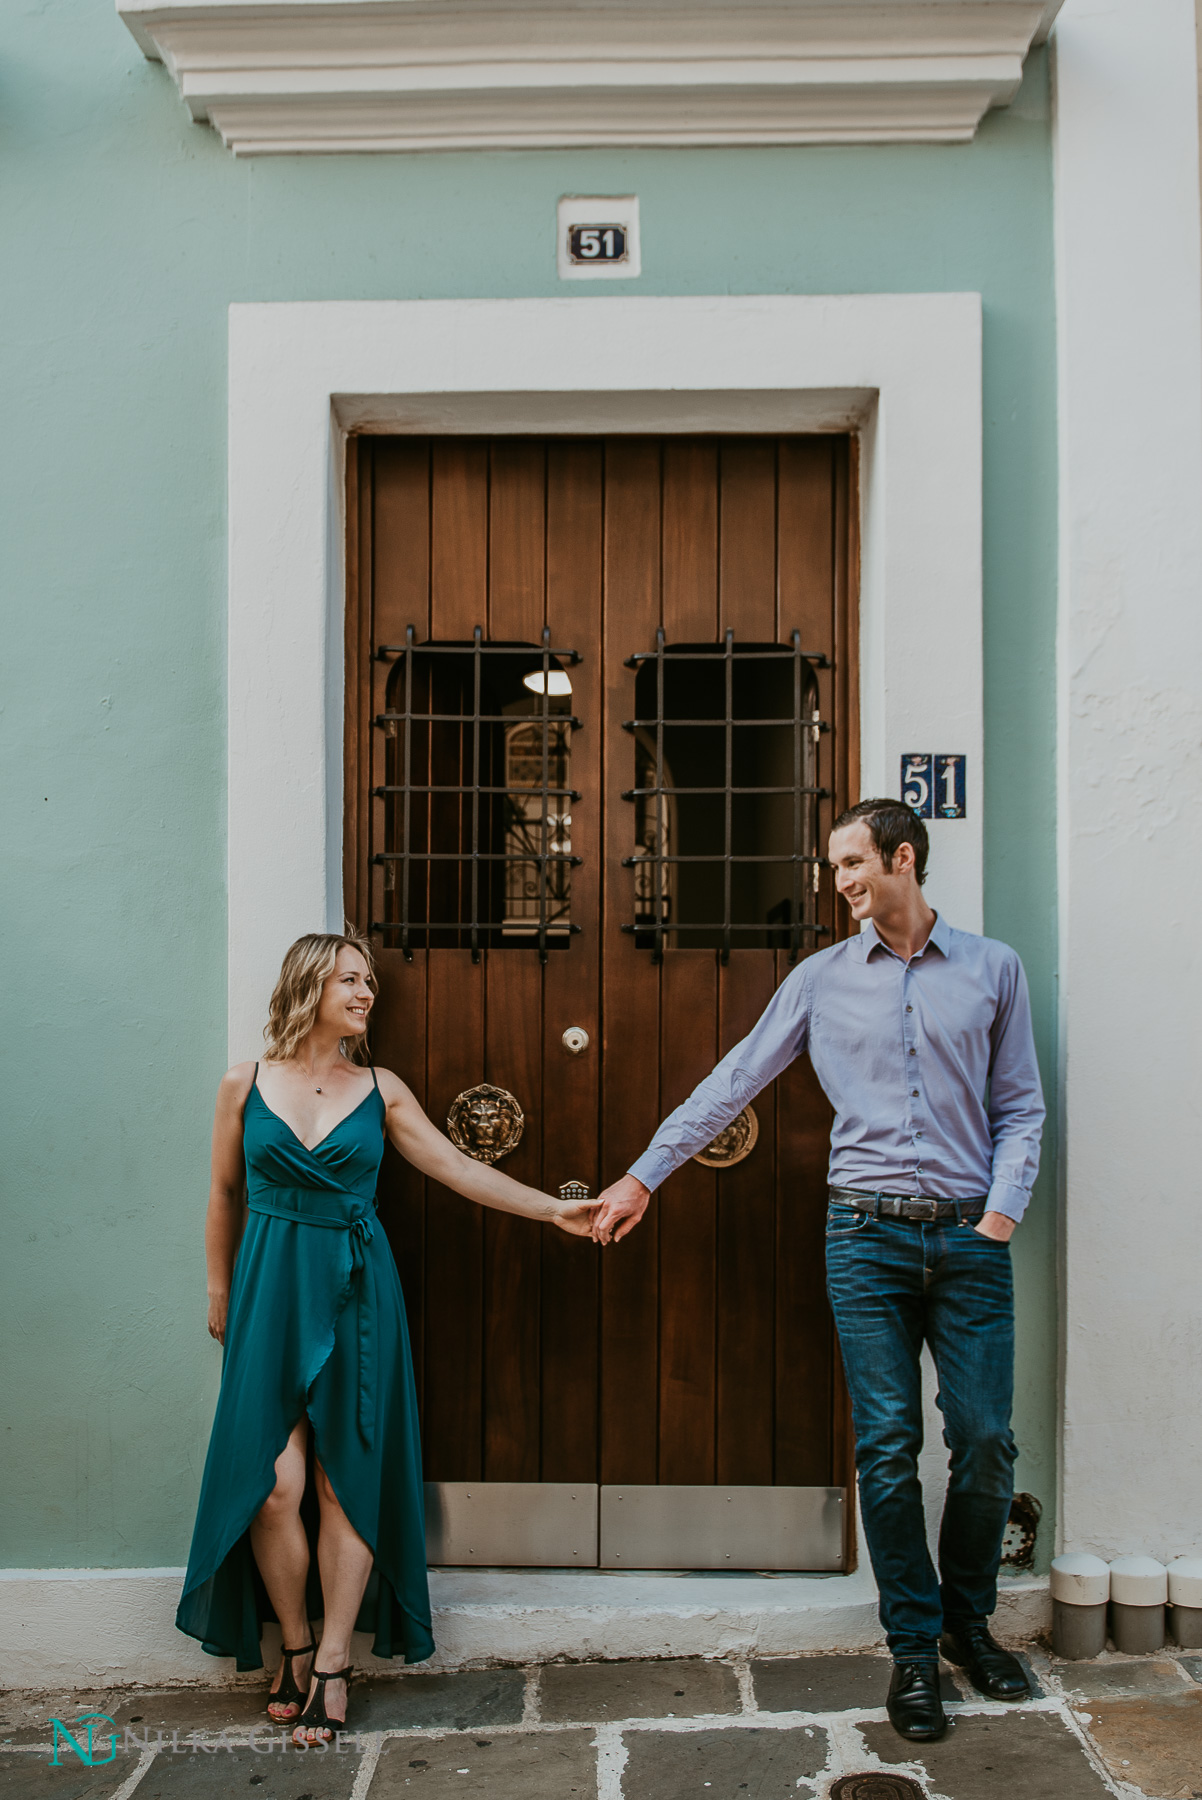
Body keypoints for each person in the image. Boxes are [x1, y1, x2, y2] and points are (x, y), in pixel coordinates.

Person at [591, 799, 1044, 1744]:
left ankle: (970, 1620)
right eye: (833, 868)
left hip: (971, 1241)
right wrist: (643, 1175)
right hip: (865, 1241)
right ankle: (915, 1649)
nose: (838, 883)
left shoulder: (995, 970)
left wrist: (1001, 1212)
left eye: (851, 864)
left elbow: (1021, 1107)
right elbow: (733, 1081)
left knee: (988, 1441)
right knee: (885, 1447)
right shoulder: (819, 979)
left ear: (903, 860)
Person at [176, 932, 597, 1743]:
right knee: (272, 1487)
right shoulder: (244, 1083)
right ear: (309, 983)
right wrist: (219, 1287)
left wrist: (553, 1208)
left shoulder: (381, 1088)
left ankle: (330, 1661)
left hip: (359, 1294)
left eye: (370, 981)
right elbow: (224, 1191)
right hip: (269, 1291)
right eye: (351, 979)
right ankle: (291, 1642)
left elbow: (456, 1168)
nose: (368, 993)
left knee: (346, 1483)